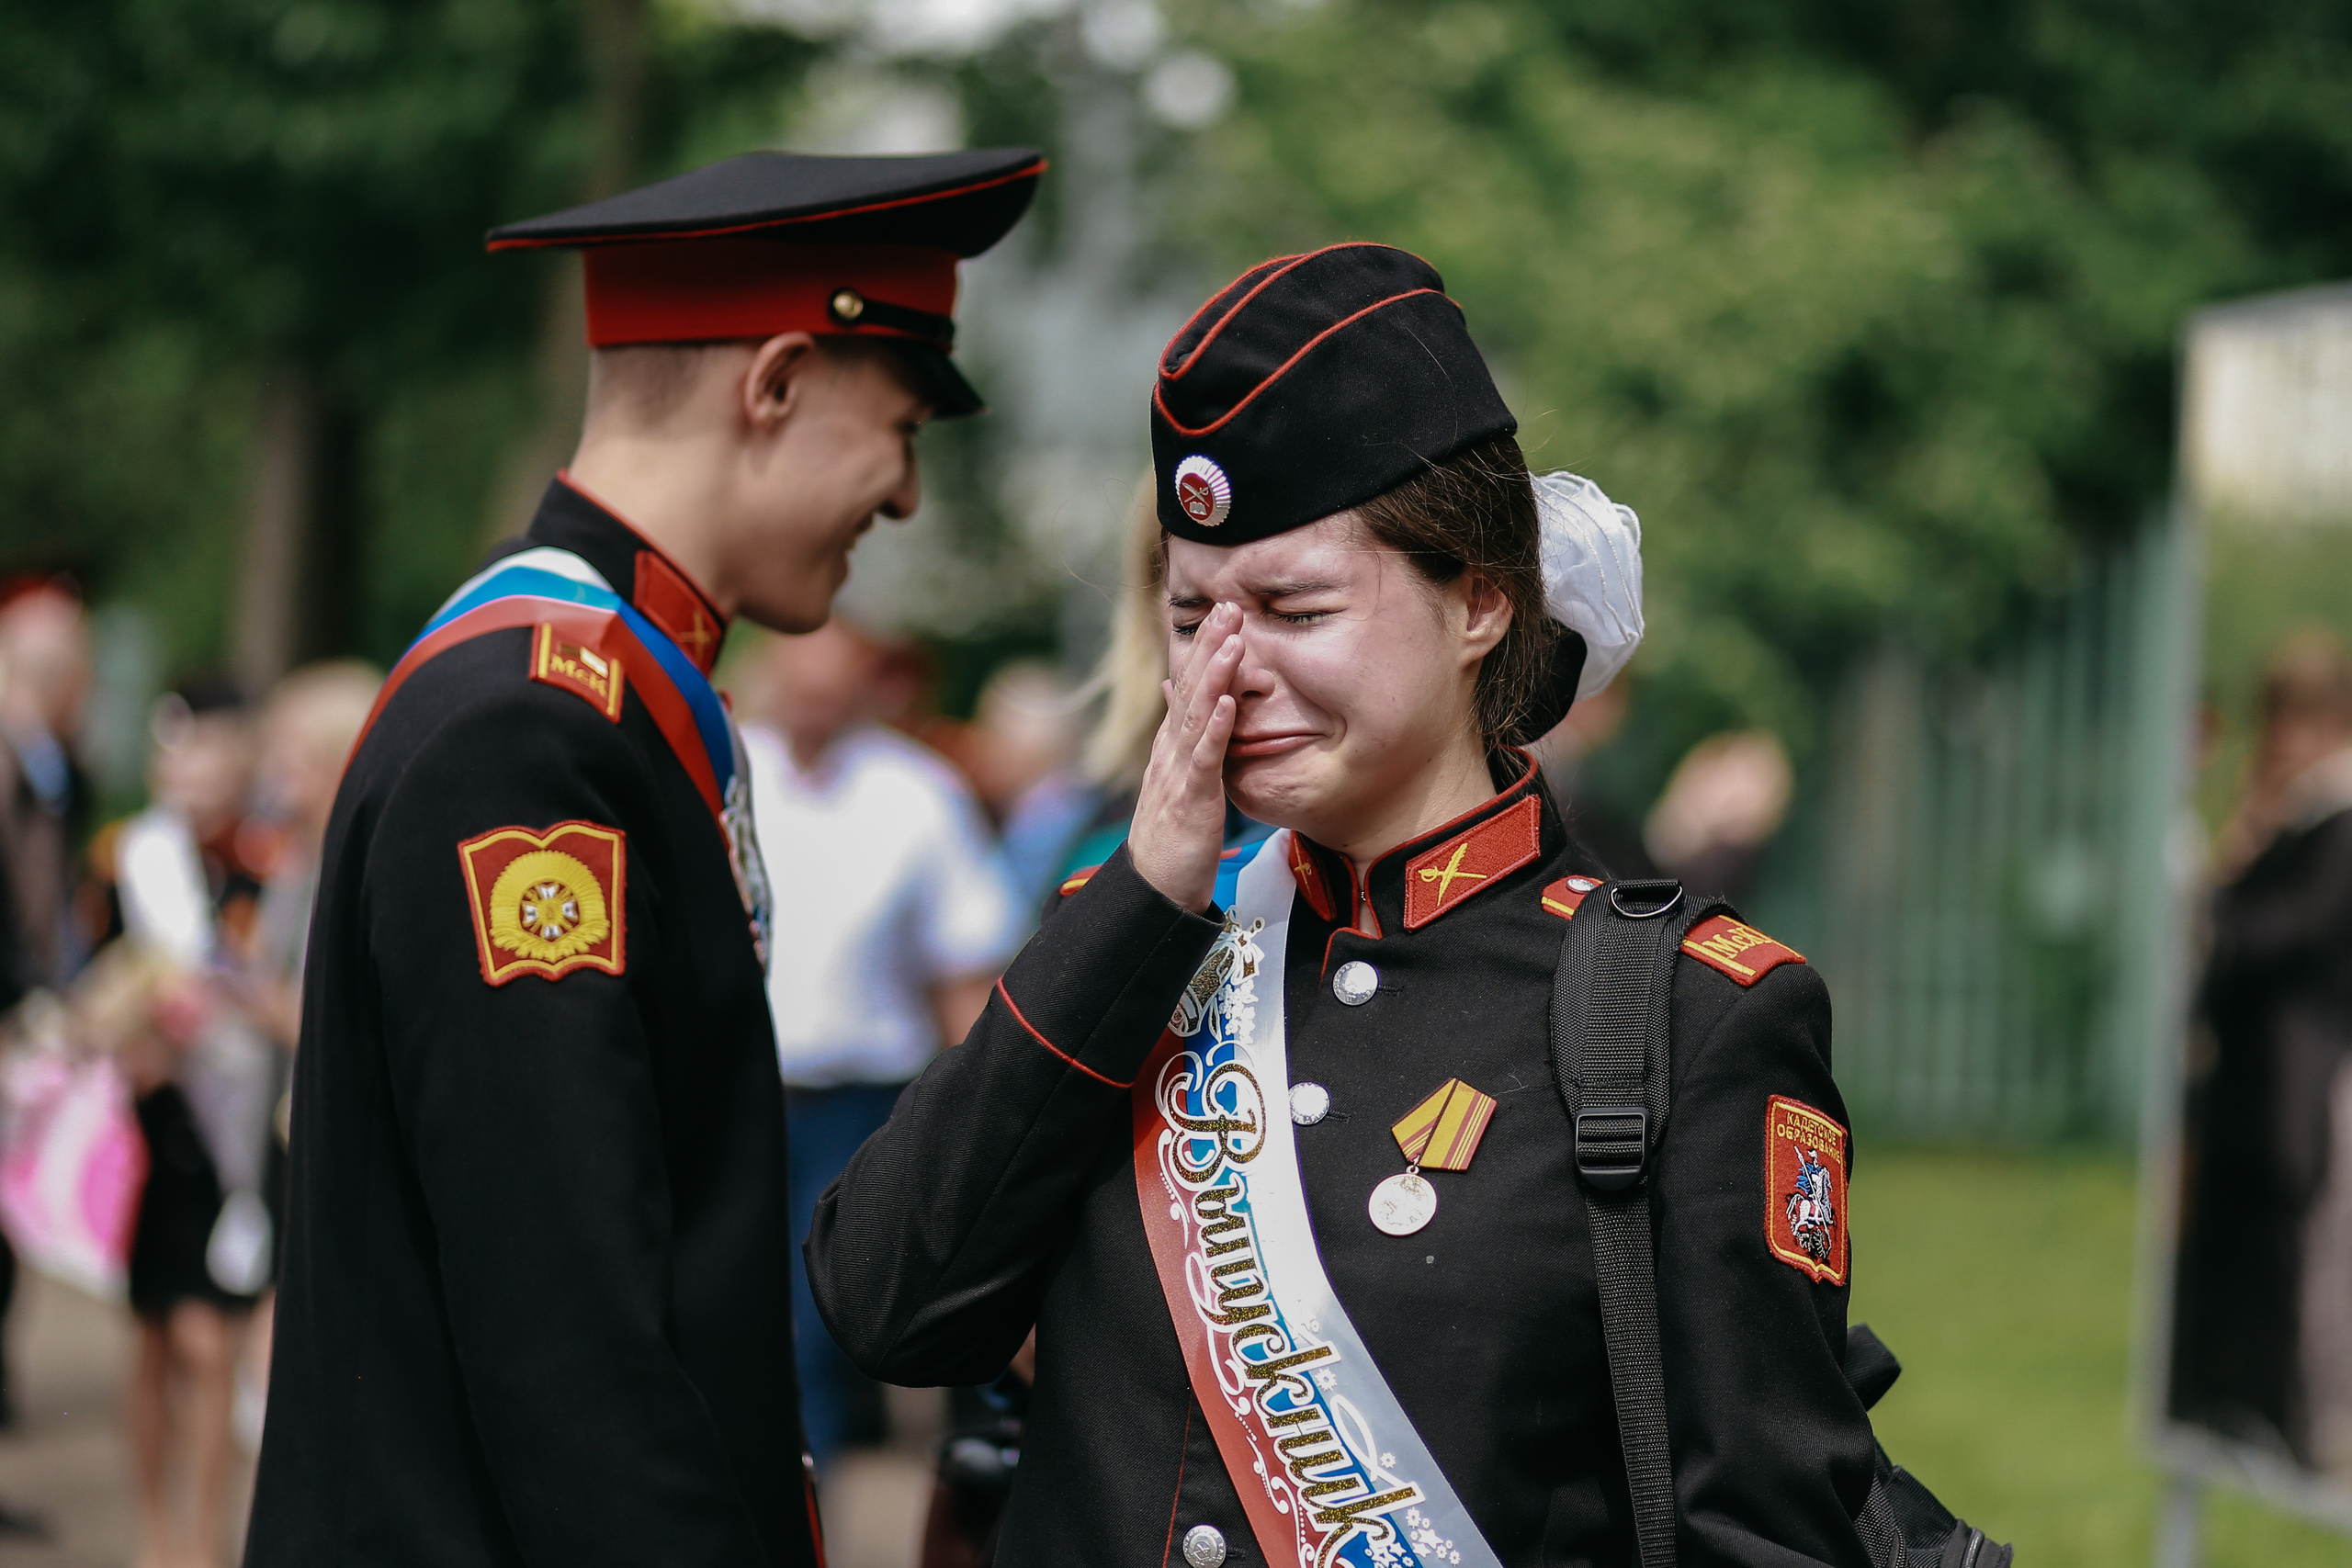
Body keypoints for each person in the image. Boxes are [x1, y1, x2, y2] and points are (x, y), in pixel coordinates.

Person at [809, 243, 1875, 1565]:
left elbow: (1766, 1535)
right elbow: (888, 1305)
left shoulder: (1689, 1015)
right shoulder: (1123, 938)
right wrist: (1138, 902)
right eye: (1192, 617)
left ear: (1480, 600)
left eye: (1294, 607)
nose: (1227, 671)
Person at [243, 147, 1043, 1568]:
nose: (907, 496)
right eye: (902, 427)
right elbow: (570, 1336)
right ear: (777, 382)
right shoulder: (529, 732)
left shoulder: (598, 696)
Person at [733, 619, 1021, 1466]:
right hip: (743, 1091)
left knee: (817, 1316)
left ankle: (805, 1483)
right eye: (802, 683)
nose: (815, 703)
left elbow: (962, 963)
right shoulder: (733, 773)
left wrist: (989, 1119)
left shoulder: (917, 792)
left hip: (859, 1097)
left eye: (832, 685)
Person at [102, 679, 278, 1568]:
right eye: (180, 751)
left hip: (239, 1128)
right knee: (154, 1337)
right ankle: (155, 1532)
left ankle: (203, 1540)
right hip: (156, 1124)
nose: (193, 769)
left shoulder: (268, 859)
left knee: (213, 1342)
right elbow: (94, 976)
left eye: (210, 749)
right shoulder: (130, 859)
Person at [2170, 629, 2352, 1473]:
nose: (2280, 740)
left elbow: (2276, 931)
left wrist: (2221, 918)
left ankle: (2288, 1432)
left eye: (2296, 720)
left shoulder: (2339, 824)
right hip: (2248, 1087)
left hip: (2297, 1089)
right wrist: (2251, 824)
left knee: (2286, 1276)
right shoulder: (2292, 820)